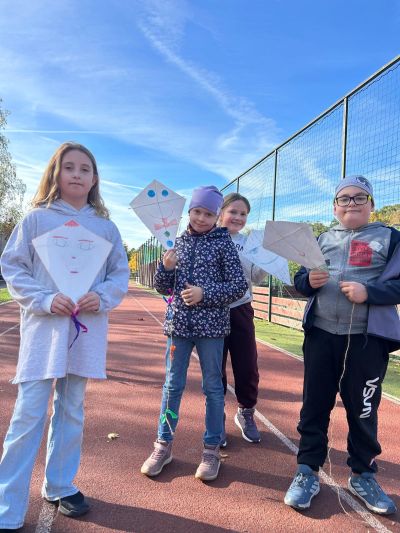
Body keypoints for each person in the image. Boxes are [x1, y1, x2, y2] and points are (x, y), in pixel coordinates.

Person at [0, 142, 129, 530]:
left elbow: (118, 274)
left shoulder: (106, 227)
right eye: (69, 167)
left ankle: (59, 484)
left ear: (95, 179)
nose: (76, 174)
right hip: (43, 333)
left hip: (84, 332)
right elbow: (14, 266)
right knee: (29, 413)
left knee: (72, 408)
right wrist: (43, 298)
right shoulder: (36, 220)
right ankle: (7, 506)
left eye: (85, 169)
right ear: (55, 173)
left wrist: (101, 296)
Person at [284, 175, 399, 515]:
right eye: (344, 198)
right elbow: (300, 279)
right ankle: (307, 471)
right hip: (321, 336)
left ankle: (363, 474)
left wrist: (370, 293)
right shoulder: (322, 239)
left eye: (359, 197)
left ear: (371, 204)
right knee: (314, 406)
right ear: (334, 206)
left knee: (363, 410)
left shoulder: (391, 238)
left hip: (365, 342)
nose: (351, 203)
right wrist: (308, 280)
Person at [140, 185, 247, 482]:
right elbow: (163, 288)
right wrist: (165, 267)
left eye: (208, 214)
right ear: (189, 212)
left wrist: (204, 293)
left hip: (211, 329)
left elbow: (238, 286)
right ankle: (163, 445)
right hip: (179, 328)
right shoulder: (176, 242)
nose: (201, 218)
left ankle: (211, 449)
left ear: (217, 216)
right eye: (197, 211)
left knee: (213, 388)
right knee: (172, 386)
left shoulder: (224, 244)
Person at [219, 193, 267, 445]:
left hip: (241, 309)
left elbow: (256, 277)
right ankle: (216, 417)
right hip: (212, 312)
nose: (238, 217)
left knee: (247, 365)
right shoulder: (209, 238)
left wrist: (269, 258)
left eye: (243, 214)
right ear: (221, 212)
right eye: (233, 212)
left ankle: (246, 412)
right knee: (215, 367)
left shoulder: (250, 244)